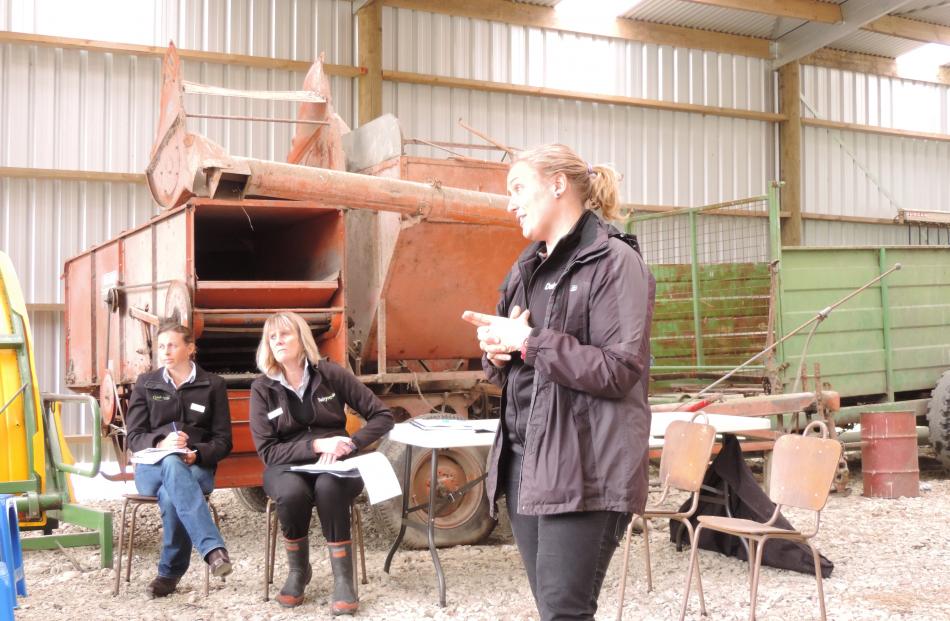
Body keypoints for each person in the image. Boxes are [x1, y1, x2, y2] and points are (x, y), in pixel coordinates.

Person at [462, 143, 656, 620]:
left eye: (517, 188)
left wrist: (528, 342)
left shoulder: (614, 263)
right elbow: (514, 362)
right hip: (526, 462)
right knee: (554, 607)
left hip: (587, 466)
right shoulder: (525, 269)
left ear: (557, 185)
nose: (510, 202)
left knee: (565, 610)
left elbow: (619, 369)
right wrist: (497, 352)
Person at [248, 311, 394, 615]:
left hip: (337, 463)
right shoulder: (262, 389)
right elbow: (268, 452)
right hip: (286, 464)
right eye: (272, 337)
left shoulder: (331, 374)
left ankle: (343, 579)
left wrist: (351, 443)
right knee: (290, 494)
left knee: (329, 488)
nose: (278, 341)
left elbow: (382, 416)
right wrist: (315, 445)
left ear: (301, 339)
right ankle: (298, 572)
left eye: (284, 334)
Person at [126, 319, 234, 598]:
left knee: (173, 493)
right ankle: (213, 549)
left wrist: (196, 452)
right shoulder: (145, 383)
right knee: (171, 463)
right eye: (161, 346)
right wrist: (161, 442)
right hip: (152, 469)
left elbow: (223, 441)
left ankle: (168, 575)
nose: (165, 351)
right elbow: (134, 437)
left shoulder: (213, 385)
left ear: (190, 348)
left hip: (196, 467)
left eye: (172, 345)